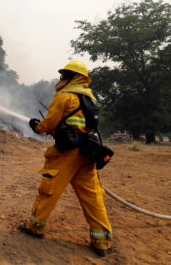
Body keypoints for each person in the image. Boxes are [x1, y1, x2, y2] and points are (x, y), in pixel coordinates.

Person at [20, 60, 113, 257]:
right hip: (87, 153)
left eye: (65, 75)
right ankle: (102, 240)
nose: (61, 79)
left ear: (74, 78)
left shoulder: (64, 97)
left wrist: (36, 126)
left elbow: (49, 123)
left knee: (49, 189)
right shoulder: (91, 99)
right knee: (92, 196)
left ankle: (35, 227)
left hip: (66, 154)